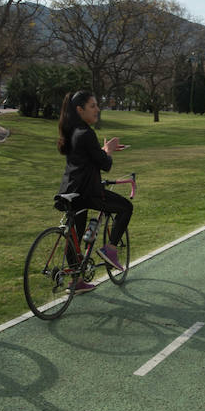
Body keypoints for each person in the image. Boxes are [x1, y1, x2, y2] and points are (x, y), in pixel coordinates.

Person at [57, 90, 132, 294]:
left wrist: (102, 149)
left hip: (69, 192)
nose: (97, 109)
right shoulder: (86, 132)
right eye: (92, 106)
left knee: (75, 236)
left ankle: (76, 280)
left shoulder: (71, 131)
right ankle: (110, 249)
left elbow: (87, 157)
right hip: (88, 192)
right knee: (126, 207)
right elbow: (105, 164)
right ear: (80, 110)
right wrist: (108, 150)